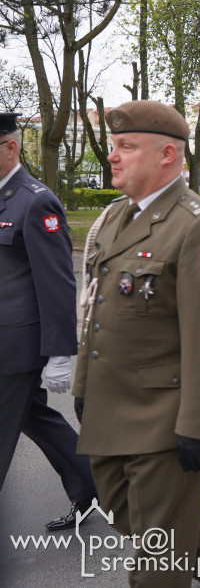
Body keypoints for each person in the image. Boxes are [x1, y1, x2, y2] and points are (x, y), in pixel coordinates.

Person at [73, 101, 200, 587]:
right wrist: (83, 386)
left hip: (164, 413)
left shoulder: (198, 225)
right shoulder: (115, 217)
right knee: (125, 517)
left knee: (157, 565)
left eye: (126, 147)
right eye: (114, 146)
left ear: (168, 156)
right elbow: (95, 310)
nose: (113, 157)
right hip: (112, 406)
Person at [0, 112, 98, 532]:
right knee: (31, 415)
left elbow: (57, 281)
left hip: (17, 345)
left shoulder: (35, 200)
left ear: (10, 147)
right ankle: (92, 484)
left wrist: (60, 352)